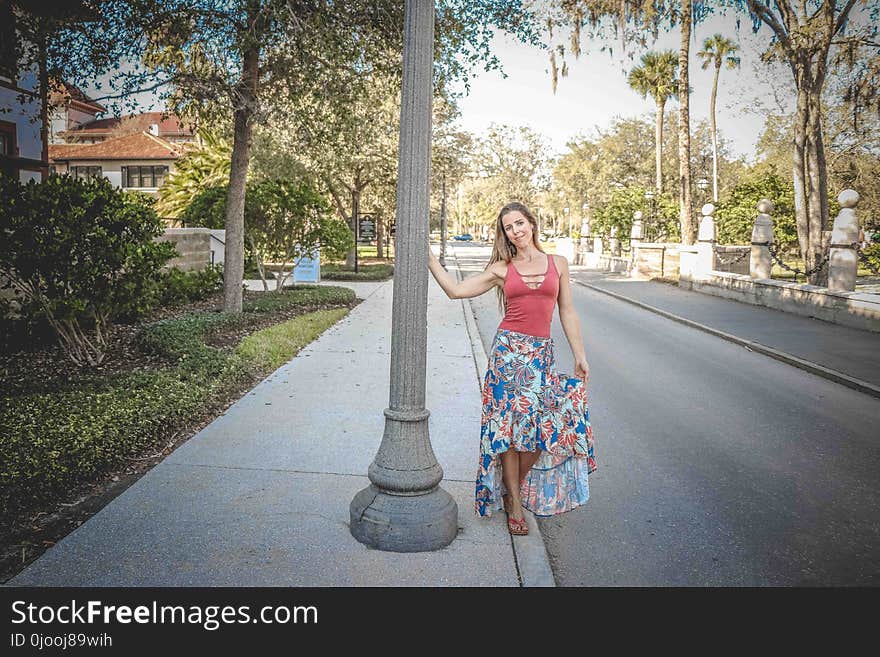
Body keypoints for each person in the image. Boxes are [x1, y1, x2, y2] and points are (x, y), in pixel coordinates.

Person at [428, 201, 597, 536]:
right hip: (507, 355)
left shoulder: (558, 264)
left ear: (531, 224)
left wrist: (580, 354)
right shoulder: (501, 269)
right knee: (507, 431)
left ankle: (511, 488)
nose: (516, 231)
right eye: (509, 227)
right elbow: (455, 291)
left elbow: (567, 312)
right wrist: (428, 256)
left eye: (520, 223)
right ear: (504, 233)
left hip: (540, 356)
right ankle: (515, 504)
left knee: (539, 432)